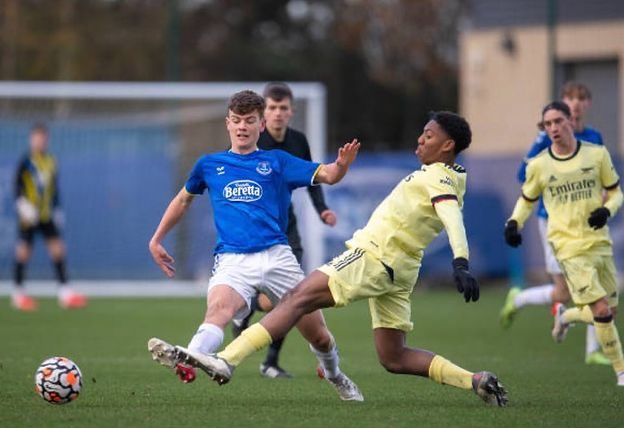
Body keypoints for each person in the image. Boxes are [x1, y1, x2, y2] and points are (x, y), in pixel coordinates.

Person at [161, 111, 509, 407]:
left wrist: (461, 261)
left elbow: (450, 216)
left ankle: (225, 360)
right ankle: (474, 380)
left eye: (429, 135)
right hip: (402, 270)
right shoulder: (453, 176)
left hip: (373, 257)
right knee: (393, 357)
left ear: (447, 145)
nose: (420, 140)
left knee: (296, 298)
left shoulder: (438, 176)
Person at [147, 90, 364, 401]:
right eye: (236, 121)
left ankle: (335, 374)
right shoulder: (209, 165)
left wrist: (341, 166)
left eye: (249, 121)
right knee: (218, 310)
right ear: (228, 124)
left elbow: (328, 174)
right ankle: (190, 356)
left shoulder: (278, 161)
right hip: (232, 260)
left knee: (318, 335)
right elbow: (183, 200)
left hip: (278, 257)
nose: (242, 127)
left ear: (261, 125)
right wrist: (156, 239)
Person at [504, 101, 624, 386]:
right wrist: (513, 223)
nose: (553, 128)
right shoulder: (540, 165)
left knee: (609, 309)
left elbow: (616, 193)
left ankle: (566, 315)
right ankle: (621, 371)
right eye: (548, 124)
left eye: (558, 121)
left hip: (599, 243)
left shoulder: (596, 155)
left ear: (571, 120)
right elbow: (527, 199)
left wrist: (607, 210)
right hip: (567, 247)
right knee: (602, 312)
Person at [231, 82, 338, 379]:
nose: (277, 113)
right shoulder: (254, 140)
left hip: (286, 230)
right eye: (272, 107)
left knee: (290, 298)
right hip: (253, 231)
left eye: (283, 108)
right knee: (272, 299)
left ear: (291, 112)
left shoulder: (298, 141)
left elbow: (312, 177)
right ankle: (245, 307)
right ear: (264, 113)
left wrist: (322, 210)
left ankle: (270, 362)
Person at [12, 123, 87, 311]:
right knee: (23, 252)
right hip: (29, 216)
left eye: (43, 138)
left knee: (58, 250)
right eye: (37, 137)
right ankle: (18, 293)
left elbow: (53, 189)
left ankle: (65, 293)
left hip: (46, 214)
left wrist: (57, 209)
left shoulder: (51, 160)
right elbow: (17, 186)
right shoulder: (26, 161)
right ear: (31, 139)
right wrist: (23, 205)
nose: (40, 141)